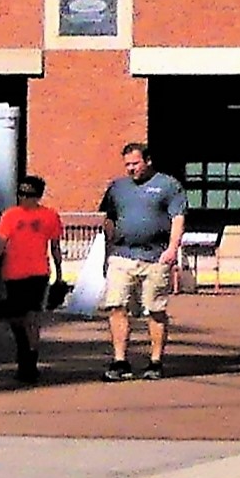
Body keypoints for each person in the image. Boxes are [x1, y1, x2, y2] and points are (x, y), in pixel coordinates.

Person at [97, 142, 188, 379]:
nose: (131, 168)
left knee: (155, 309)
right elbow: (109, 219)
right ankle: (120, 361)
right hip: (122, 256)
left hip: (155, 257)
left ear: (147, 161)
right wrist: (107, 251)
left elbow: (178, 218)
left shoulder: (168, 185)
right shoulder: (117, 188)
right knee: (116, 306)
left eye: (135, 163)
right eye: (127, 164)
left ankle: (155, 361)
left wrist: (172, 249)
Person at [0, 172, 65, 383]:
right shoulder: (10, 215)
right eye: (21, 193)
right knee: (16, 318)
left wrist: (59, 274)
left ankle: (29, 362)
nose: (24, 198)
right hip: (12, 273)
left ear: (38, 196)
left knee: (32, 318)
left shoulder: (50, 216)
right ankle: (24, 351)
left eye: (29, 194)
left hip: (38, 273)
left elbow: (55, 247)